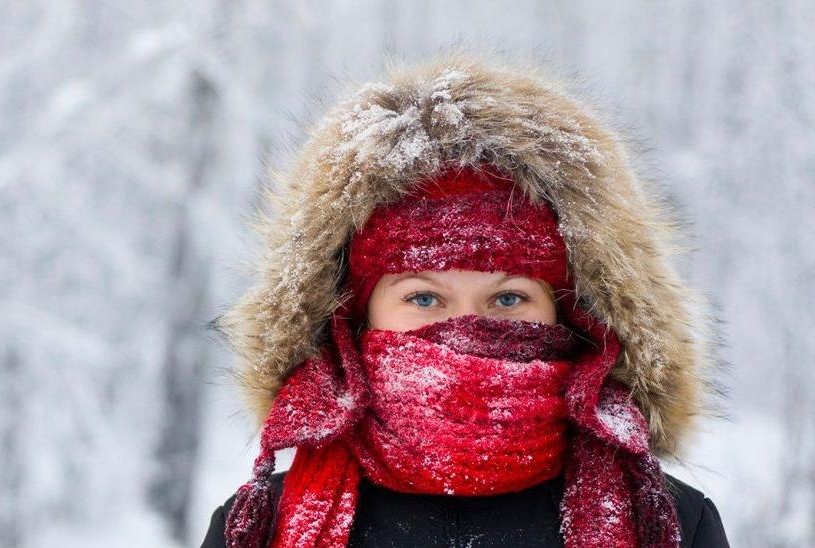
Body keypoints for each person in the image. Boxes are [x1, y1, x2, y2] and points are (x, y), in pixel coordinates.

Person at [203, 53, 730, 547]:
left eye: (508, 299)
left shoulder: (667, 525)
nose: (466, 326)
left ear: (568, 314)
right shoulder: (257, 528)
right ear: (354, 318)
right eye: (424, 298)